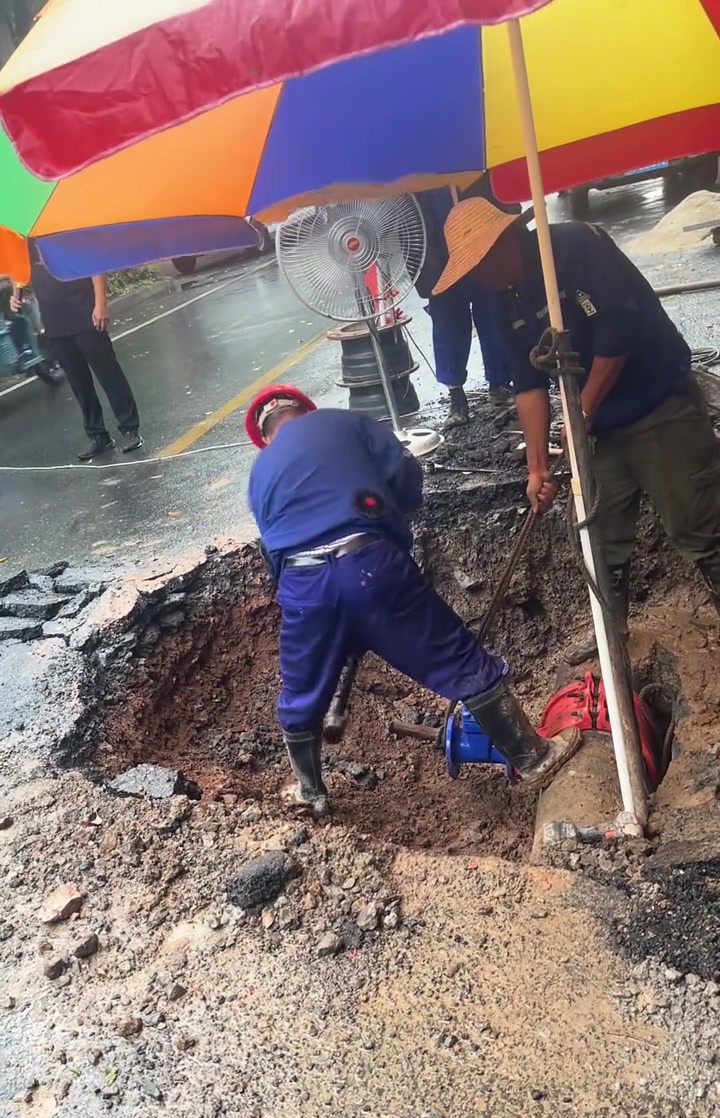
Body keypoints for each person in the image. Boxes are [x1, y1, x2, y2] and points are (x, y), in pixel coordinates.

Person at [245, 383, 579, 814]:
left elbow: (272, 549)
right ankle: (532, 758)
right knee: (454, 657)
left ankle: (310, 792)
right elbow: (404, 475)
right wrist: (393, 523)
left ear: (266, 435)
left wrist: (317, 605)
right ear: (306, 411)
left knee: (301, 686)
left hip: (303, 585)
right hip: (368, 560)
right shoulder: (346, 423)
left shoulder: (260, 473)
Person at [433, 198, 720, 658]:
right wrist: (537, 466)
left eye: (477, 266)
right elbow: (527, 382)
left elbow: (618, 331)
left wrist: (582, 412)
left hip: (656, 402)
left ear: (502, 244)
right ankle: (612, 633)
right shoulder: (497, 297)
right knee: (600, 533)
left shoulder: (575, 246)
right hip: (599, 423)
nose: (476, 279)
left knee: (698, 521)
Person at [12, 243, 141, 461]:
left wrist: (100, 303)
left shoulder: (65, 232)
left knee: (108, 374)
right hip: (55, 322)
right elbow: (21, 274)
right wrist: (16, 295)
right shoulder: (25, 242)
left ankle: (129, 428)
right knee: (79, 383)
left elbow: (94, 265)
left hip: (84, 313)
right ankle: (98, 435)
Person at [416, 185, 513, 426]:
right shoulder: (417, 180)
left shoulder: (476, 163)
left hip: (483, 246)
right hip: (439, 260)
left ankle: (500, 383)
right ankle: (456, 395)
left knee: (494, 313)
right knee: (448, 326)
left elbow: (501, 198)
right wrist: (425, 274)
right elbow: (412, 227)